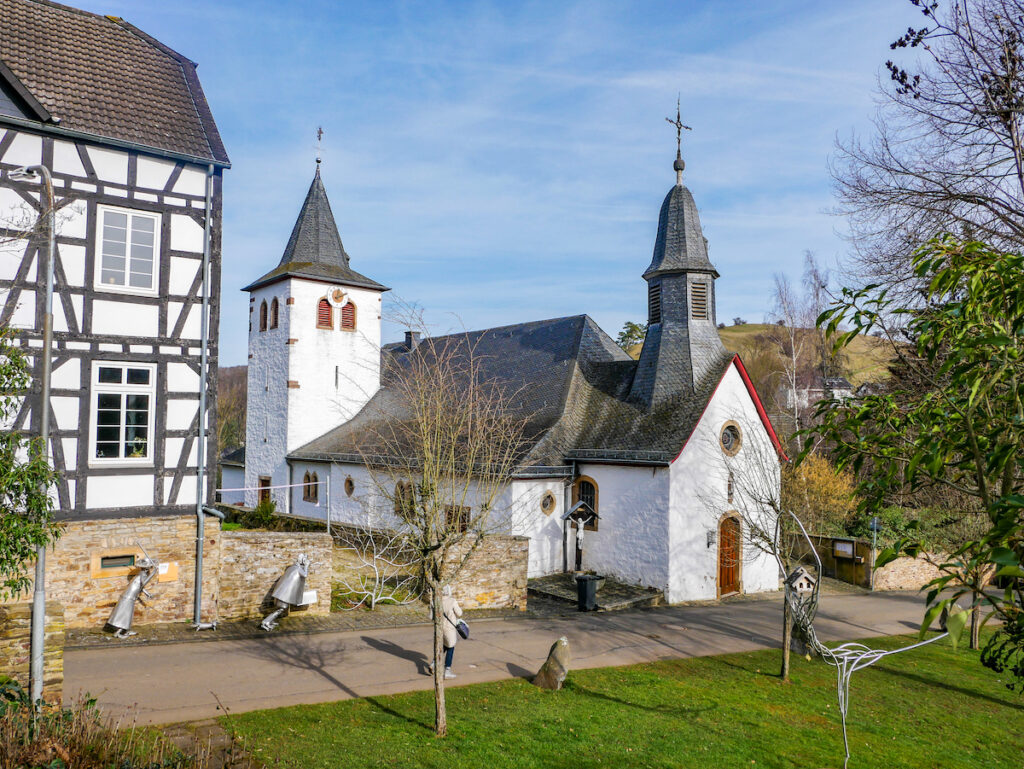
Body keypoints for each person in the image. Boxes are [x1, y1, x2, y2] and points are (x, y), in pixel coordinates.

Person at [426, 585, 463, 679]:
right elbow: (459, 613)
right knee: (451, 647)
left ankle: (434, 663)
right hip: (449, 629)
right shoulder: (452, 601)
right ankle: (447, 671)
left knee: (443, 646)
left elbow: (430, 617)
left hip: (439, 629)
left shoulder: (434, 601)